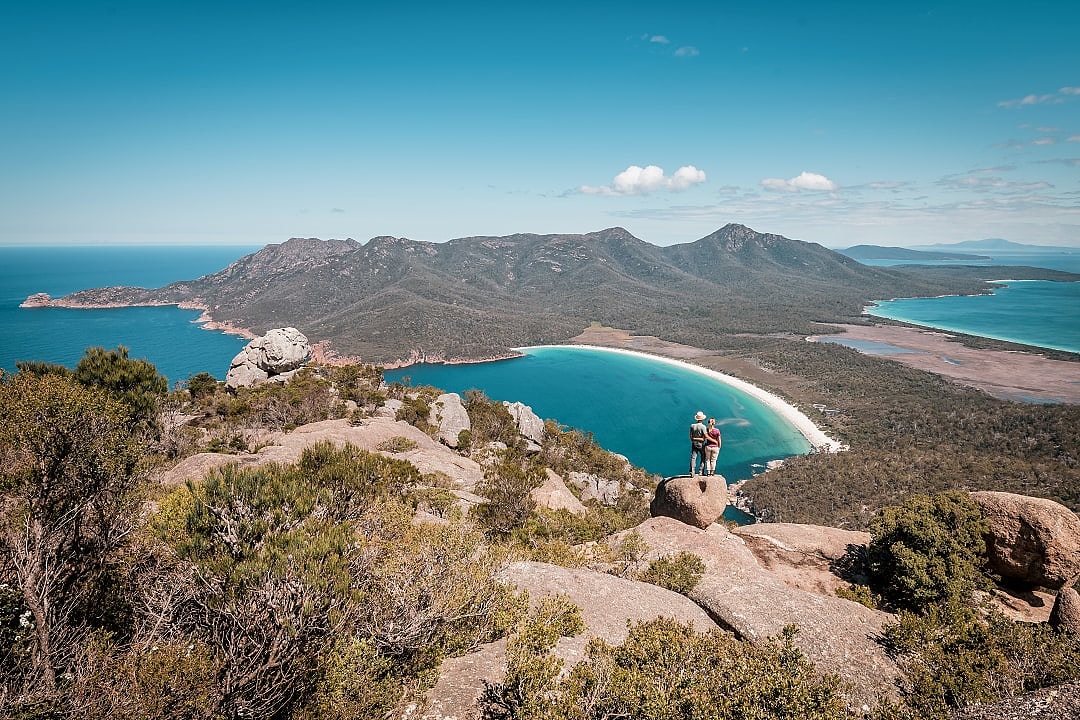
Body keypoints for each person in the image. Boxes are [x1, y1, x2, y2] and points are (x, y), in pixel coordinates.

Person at [689, 410, 708, 475]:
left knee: (693, 457)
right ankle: (701, 472)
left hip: (694, 443)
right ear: (702, 419)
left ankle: (692, 472)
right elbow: (704, 437)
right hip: (701, 444)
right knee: (703, 456)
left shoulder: (692, 425)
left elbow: (690, 436)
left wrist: (694, 439)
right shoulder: (703, 427)